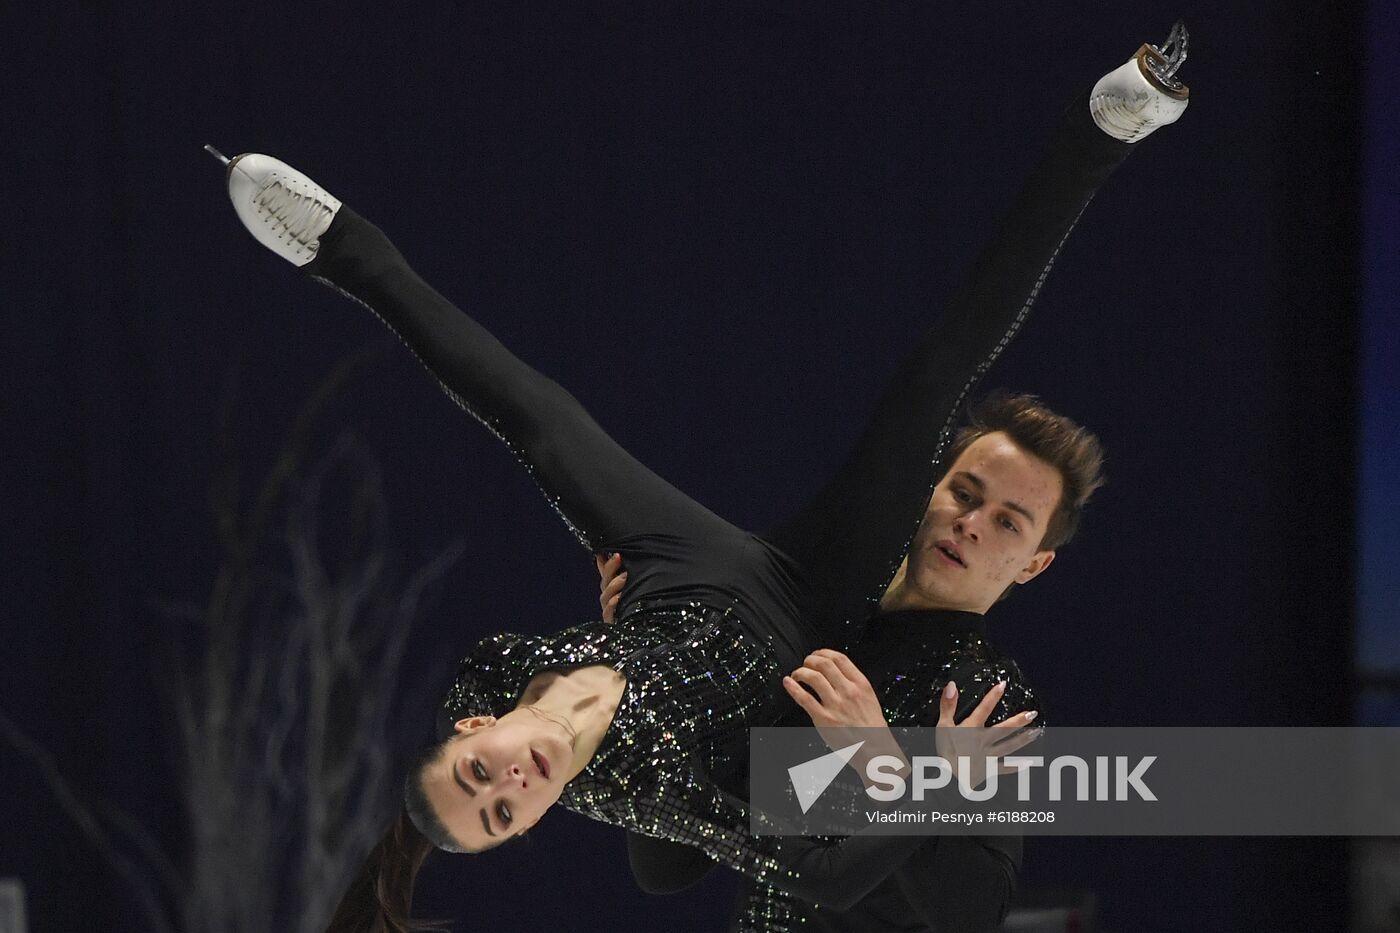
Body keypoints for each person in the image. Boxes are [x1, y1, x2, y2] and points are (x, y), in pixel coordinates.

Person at [212, 25, 1187, 933]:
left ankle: (341, 248)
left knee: (537, 420)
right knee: (931, 384)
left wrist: (615, 635)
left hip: (684, 579)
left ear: (471, 728)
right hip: (800, 615)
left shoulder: (490, 678)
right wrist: (895, 775)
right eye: (506, 813)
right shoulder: (680, 778)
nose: (516, 783)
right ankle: (1100, 133)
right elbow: (804, 870)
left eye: (483, 779)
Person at [601, 25, 1189, 931]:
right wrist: (651, 663)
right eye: (966, 492)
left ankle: (1098, 136)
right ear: (929, 488)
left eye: (1009, 525)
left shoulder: (988, 701)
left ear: (1033, 565)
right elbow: (667, 862)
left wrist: (886, 761)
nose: (972, 524)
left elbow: (969, 911)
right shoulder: (813, 617)